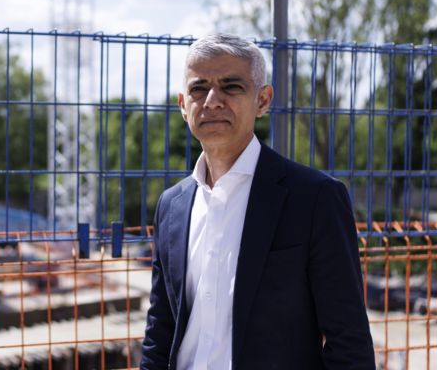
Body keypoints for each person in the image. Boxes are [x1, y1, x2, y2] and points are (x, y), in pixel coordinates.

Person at [140, 33, 374, 369]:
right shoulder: (171, 206)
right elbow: (160, 330)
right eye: (198, 88)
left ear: (262, 100)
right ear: (182, 104)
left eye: (231, 87)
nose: (212, 100)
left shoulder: (314, 198)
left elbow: (348, 340)